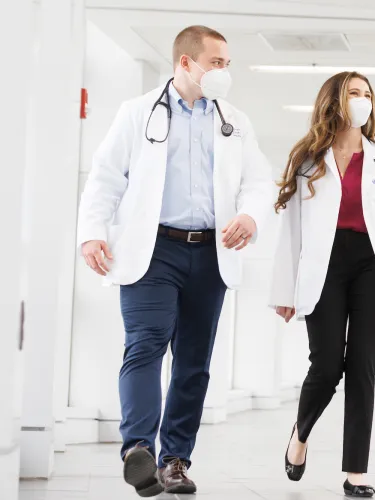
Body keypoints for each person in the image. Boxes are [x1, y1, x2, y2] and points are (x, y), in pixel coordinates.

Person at [76, 25, 273, 497]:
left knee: (193, 362)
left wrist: (250, 214)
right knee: (145, 345)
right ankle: (138, 449)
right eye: (216, 63)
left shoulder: (236, 121)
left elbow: (259, 180)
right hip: (153, 250)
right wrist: (91, 235)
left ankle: (175, 461)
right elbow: (105, 176)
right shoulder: (137, 113)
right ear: (186, 62)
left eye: (227, 64)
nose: (224, 72)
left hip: (211, 250)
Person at [270, 71, 375, 498]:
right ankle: (299, 437)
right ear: (333, 103)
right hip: (323, 265)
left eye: (366, 94)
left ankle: (355, 471)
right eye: (352, 93)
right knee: (325, 367)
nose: (361, 100)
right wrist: (284, 291)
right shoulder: (308, 159)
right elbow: (292, 230)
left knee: (362, 365)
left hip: (371, 266)